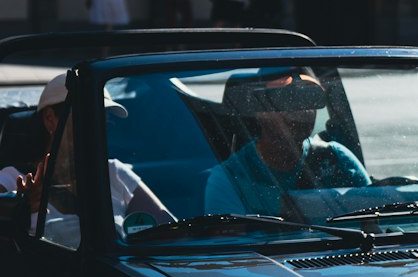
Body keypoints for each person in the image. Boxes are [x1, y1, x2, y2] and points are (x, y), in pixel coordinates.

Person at [16, 73, 172, 245]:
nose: (101, 123)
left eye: (105, 116)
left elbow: (170, 229)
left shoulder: (114, 172)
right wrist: (22, 208)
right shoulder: (12, 179)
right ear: (50, 119)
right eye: (89, 115)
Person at [204, 69, 370, 216]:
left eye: (310, 97)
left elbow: (376, 219)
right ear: (259, 111)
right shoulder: (230, 178)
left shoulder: (337, 159)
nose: (302, 111)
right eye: (286, 99)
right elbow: (234, 246)